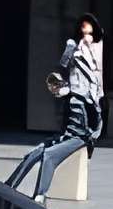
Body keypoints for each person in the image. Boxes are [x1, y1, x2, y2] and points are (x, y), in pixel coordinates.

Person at [7, 15, 106, 196]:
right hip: (69, 134)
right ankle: (8, 187)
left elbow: (95, 120)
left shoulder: (91, 93)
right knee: (33, 154)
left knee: (50, 156)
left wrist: (92, 136)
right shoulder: (74, 90)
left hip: (80, 136)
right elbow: (63, 66)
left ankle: (39, 196)